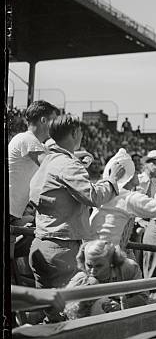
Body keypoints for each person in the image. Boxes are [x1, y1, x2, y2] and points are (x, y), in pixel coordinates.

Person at [28, 115, 125, 293]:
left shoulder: (49, 160)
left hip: (40, 245)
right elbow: (94, 197)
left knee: (44, 312)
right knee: (72, 310)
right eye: (80, 132)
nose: (82, 136)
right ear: (74, 133)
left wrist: (75, 159)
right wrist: (112, 179)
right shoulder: (68, 164)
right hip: (62, 250)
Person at [90, 149, 156, 250]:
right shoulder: (127, 197)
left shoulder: (108, 194)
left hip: (97, 250)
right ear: (128, 176)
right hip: (107, 254)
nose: (138, 174)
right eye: (134, 172)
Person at [64, 240, 148, 319]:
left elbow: (143, 297)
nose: (92, 271)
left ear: (112, 263)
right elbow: (65, 307)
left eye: (99, 266)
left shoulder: (129, 268)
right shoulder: (81, 278)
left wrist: (122, 305)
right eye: (89, 265)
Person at [8, 101, 59, 224]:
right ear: (43, 120)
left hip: (14, 212)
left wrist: (78, 156)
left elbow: (55, 157)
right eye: (54, 121)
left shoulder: (35, 143)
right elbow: (51, 165)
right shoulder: (27, 139)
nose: (56, 126)